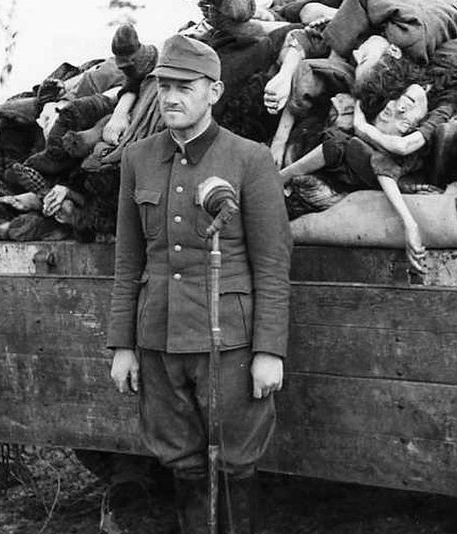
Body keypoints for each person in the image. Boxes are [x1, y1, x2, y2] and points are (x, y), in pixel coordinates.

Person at [107, 34, 292, 534]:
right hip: (159, 338)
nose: (170, 97)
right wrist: (123, 344)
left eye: (184, 86)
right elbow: (129, 262)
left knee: (237, 462)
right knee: (181, 462)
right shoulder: (137, 159)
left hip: (230, 343)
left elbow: (273, 265)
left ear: (214, 91)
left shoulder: (250, 159)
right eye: (163, 85)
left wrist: (269, 350)